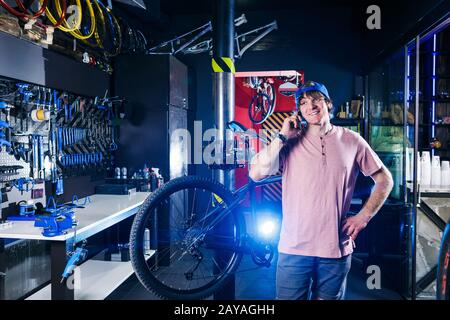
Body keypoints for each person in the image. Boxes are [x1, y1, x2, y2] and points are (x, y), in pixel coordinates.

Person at [249, 80, 394, 300]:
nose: (310, 106)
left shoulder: (352, 140)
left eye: (315, 99)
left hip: (335, 248)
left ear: (327, 103)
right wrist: (281, 137)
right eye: (303, 102)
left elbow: (385, 179)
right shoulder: (290, 142)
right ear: (299, 110)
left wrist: (363, 217)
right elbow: (256, 173)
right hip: (294, 248)